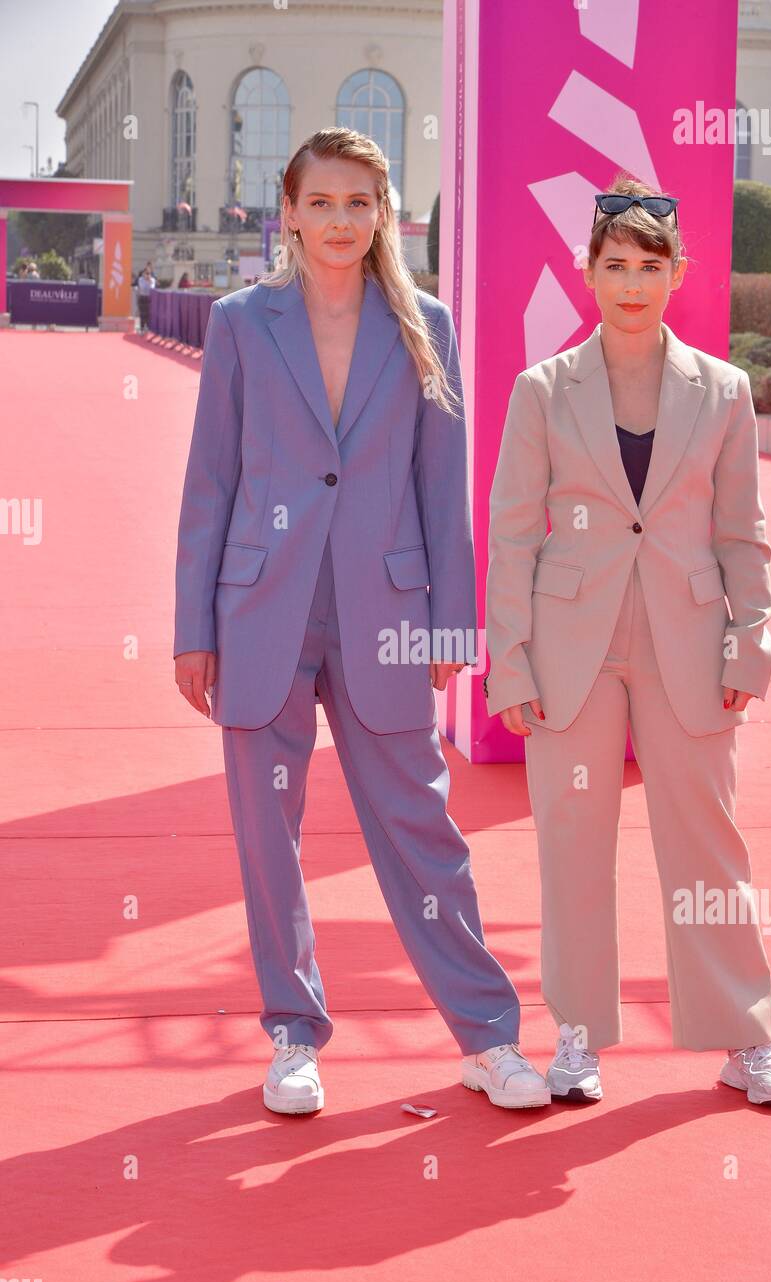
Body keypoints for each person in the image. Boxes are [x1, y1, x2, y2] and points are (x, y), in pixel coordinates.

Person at [173, 127, 551, 1115]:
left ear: (386, 213)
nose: (341, 221)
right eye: (322, 202)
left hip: (390, 609)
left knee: (420, 825)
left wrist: (453, 625)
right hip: (259, 608)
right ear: (288, 213)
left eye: (360, 203)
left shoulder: (423, 321)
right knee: (269, 833)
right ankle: (293, 1036)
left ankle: (489, 1035)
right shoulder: (241, 324)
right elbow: (209, 481)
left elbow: (441, 481)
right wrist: (191, 625)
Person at [484, 173, 771, 1109]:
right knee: (572, 842)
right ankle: (578, 1034)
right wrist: (509, 659)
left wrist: (751, 643)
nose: (631, 282)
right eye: (615, 264)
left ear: (677, 275)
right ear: (587, 272)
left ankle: (743, 1036)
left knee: (707, 840)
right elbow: (510, 534)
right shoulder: (542, 390)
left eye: (649, 266)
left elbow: (741, 532)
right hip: (569, 646)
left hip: (690, 640)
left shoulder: (725, 391)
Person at [136, 263, 155, 332]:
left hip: (149, 298)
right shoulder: (140, 279)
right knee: (142, 313)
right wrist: (145, 280)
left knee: (148, 313)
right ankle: (142, 327)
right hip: (142, 297)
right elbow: (142, 288)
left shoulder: (152, 280)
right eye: (146, 273)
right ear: (143, 273)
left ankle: (148, 327)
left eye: (148, 273)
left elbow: (152, 288)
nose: (147, 275)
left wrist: (149, 281)